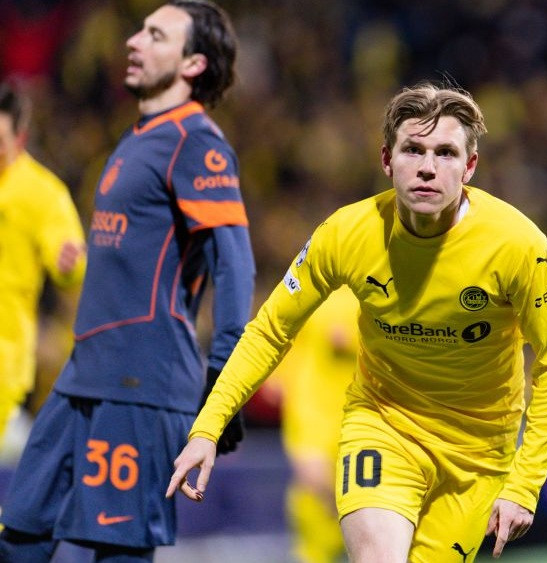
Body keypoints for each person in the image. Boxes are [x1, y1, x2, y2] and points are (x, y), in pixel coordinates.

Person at [168, 81, 547, 562]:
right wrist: (208, 427)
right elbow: (271, 329)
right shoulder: (347, 233)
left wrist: (525, 483)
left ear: (470, 166)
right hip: (384, 425)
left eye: (446, 153)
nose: (427, 167)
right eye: (413, 149)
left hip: (478, 451)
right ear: (387, 159)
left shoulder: (518, 246)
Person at [0, 2, 254, 561]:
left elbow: (234, 264)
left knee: (118, 550)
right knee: (19, 537)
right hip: (84, 375)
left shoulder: (196, 142)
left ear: (192, 64)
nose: (133, 42)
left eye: (155, 35)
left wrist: (227, 380)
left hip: (143, 381)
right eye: (139, 31)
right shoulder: (140, 137)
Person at [0, 79, 87, 444]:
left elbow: (68, 257)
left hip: (5, 351)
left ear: (20, 139)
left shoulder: (43, 193)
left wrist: (68, 264)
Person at [272, 286, 358, 563]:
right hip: (308, 404)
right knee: (312, 477)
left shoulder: (375, 287)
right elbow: (288, 337)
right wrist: (276, 376)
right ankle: (313, 552)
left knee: (352, 488)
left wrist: (354, 340)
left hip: (358, 407)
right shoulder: (309, 287)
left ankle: (349, 540)